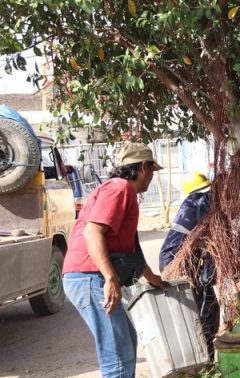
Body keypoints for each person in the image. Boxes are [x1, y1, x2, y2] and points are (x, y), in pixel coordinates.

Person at [62, 142, 165, 378]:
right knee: (117, 358)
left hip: (89, 276)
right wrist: (110, 278)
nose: (151, 178)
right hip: (90, 277)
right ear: (143, 167)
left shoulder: (122, 191)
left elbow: (130, 252)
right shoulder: (119, 189)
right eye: (151, 170)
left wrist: (153, 278)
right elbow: (92, 232)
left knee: (125, 343)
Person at [159, 171, 240, 348]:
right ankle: (206, 356)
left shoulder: (197, 202)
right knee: (203, 312)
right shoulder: (203, 203)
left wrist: (239, 277)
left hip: (183, 260)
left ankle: (209, 355)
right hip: (180, 264)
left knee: (209, 308)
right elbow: (233, 248)